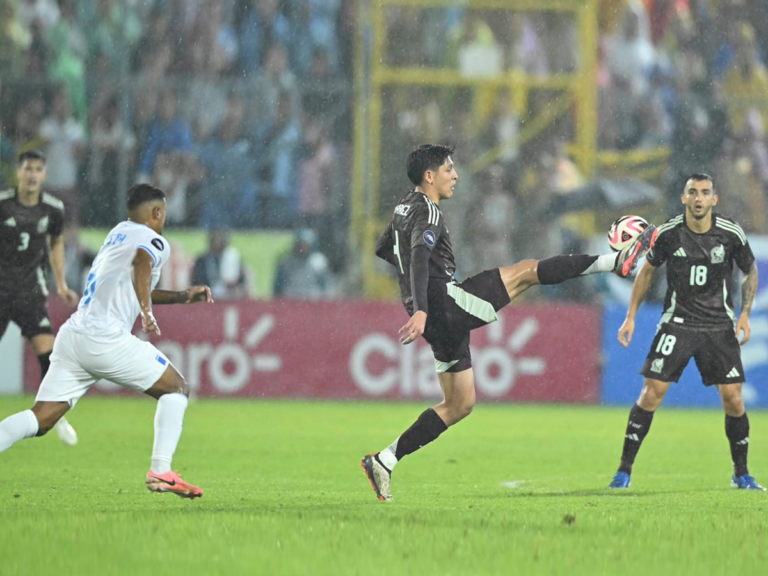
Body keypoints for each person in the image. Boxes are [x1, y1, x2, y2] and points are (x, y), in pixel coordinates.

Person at [360, 144, 658, 501]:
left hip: (434, 314)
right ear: (430, 176)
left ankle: (385, 460)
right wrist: (424, 306)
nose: (455, 176)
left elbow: (385, 248)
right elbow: (421, 256)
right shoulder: (428, 212)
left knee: (460, 404)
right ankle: (617, 261)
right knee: (527, 271)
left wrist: (414, 298)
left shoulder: (403, 208)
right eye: (449, 169)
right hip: (444, 304)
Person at [0, 184, 213, 499]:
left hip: (73, 335)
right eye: (164, 213)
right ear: (157, 213)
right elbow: (141, 264)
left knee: (41, 418)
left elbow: (130, 281)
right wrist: (145, 312)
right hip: (105, 338)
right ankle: (160, 470)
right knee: (177, 388)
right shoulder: (154, 241)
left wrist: (181, 296)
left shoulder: (118, 233)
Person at [608, 173, 764, 491]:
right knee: (651, 393)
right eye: (692, 192)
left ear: (713, 200)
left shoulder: (730, 233)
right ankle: (623, 472)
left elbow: (751, 269)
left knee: (733, 399)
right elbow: (647, 270)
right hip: (677, 323)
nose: (698, 198)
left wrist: (745, 314)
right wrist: (630, 317)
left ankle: (742, 473)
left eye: (705, 192)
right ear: (684, 198)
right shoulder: (668, 233)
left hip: (719, 326)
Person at [0, 150, 79, 446]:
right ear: (18, 172)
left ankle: (54, 415)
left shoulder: (52, 210)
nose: (32, 174)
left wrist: (60, 284)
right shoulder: (3, 205)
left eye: (37, 169)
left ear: (44, 175)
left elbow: (55, 244)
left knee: (48, 353)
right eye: (27, 168)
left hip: (31, 292)